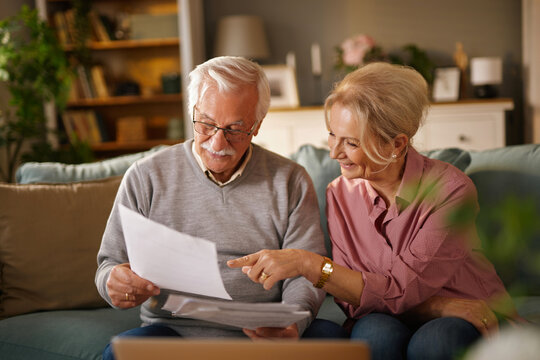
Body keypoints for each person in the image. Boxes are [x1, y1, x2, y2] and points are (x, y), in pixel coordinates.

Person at [228, 62, 522, 360]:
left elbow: (397, 290)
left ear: (396, 144)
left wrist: (310, 264)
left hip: (466, 312)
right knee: (373, 333)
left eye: (351, 142)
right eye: (332, 135)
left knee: (434, 342)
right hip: (395, 313)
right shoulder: (339, 193)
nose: (334, 152)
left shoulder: (450, 190)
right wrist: (436, 304)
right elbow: (350, 302)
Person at [95, 56, 327, 359]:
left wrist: (293, 321)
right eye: (206, 124)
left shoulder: (290, 180)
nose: (218, 142)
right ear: (193, 112)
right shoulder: (145, 176)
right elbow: (109, 264)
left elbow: (306, 271)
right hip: (173, 332)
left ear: (256, 126)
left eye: (235, 128)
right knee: (119, 353)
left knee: (332, 338)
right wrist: (113, 282)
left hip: (263, 332)